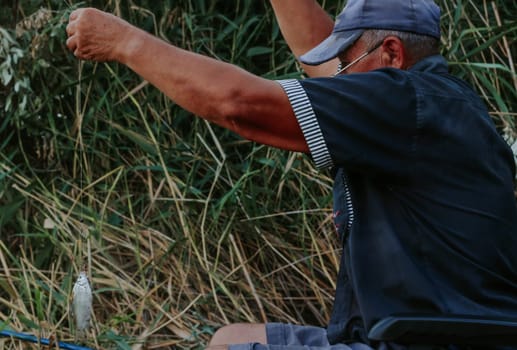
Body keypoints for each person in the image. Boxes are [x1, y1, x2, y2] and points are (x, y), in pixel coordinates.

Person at [65, 0, 517, 349]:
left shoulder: (403, 102)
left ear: (392, 53)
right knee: (230, 339)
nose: (336, 76)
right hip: (435, 331)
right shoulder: (440, 103)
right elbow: (318, 57)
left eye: (346, 61)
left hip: (420, 340)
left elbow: (237, 104)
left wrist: (125, 42)